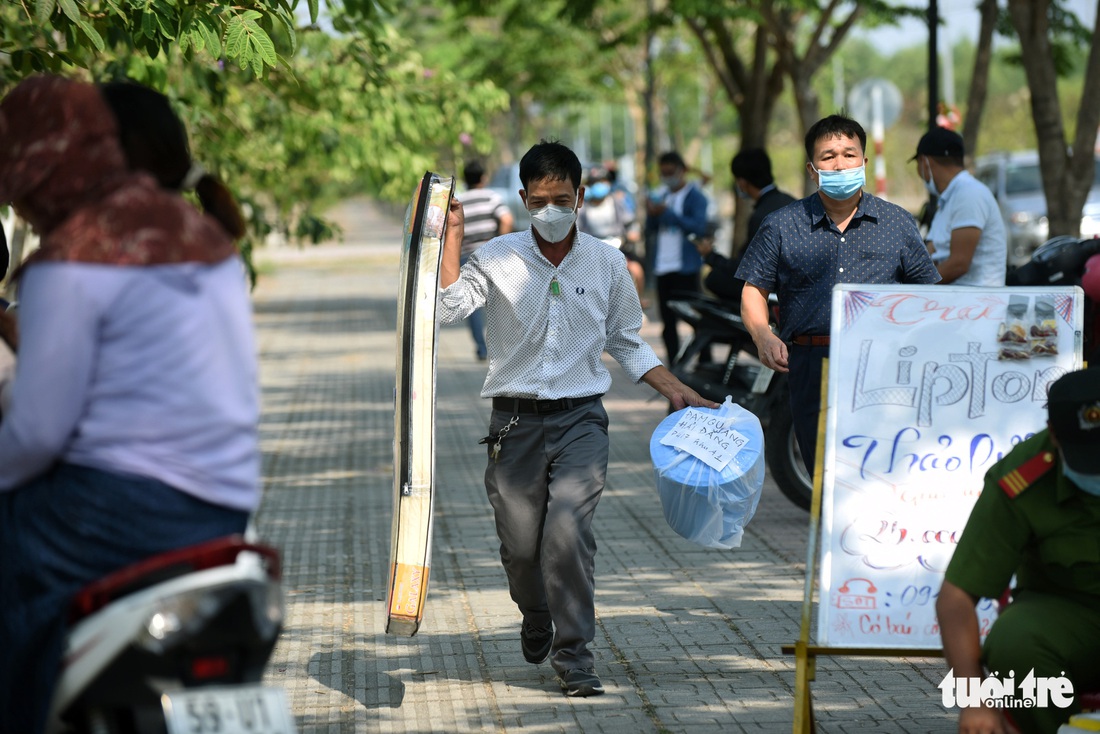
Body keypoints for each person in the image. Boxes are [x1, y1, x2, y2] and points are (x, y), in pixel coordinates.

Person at [0, 75, 260, 734]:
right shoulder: (206, 236)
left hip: (115, 512)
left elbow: (35, 436)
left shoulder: (74, 258)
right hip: (226, 504)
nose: (23, 207)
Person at [437, 139, 715, 698]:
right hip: (513, 425)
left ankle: (575, 656)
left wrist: (676, 389)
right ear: (522, 199)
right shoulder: (496, 258)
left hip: (581, 422)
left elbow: (627, 342)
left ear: (581, 196)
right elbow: (445, 309)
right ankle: (535, 613)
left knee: (567, 532)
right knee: (520, 548)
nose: (551, 210)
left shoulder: (609, 262)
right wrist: (451, 239)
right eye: (539, 201)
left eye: (561, 198)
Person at [735, 114, 940, 476]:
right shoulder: (782, 225)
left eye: (849, 153)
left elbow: (929, 296)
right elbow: (754, 288)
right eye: (828, 156)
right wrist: (763, 334)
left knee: (884, 471)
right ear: (813, 168)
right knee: (825, 474)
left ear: (864, 161)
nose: (840, 163)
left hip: (886, 364)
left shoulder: (897, 223)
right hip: (813, 361)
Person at [936, 368, 1100, 734]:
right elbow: (956, 597)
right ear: (1054, 435)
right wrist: (975, 701)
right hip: (1070, 616)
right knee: (1015, 643)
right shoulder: (1022, 477)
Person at [695, 148, 796, 303]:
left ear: (742, 182)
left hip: (773, 286)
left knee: (714, 279)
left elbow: (747, 268)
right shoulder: (791, 202)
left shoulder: (761, 215)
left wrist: (711, 256)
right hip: (795, 280)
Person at [912, 127, 1007, 286]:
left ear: (924, 162)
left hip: (978, 305)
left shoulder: (969, 194)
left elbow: (959, 263)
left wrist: (916, 288)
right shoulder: (949, 200)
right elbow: (931, 252)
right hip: (957, 303)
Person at [645, 150, 710, 363]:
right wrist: (653, 215)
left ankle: (705, 363)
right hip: (663, 267)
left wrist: (668, 214)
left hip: (686, 268)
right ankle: (674, 366)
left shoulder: (695, 197)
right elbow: (651, 229)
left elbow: (699, 227)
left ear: (682, 171)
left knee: (696, 319)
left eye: (670, 172)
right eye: (663, 173)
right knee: (668, 323)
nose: (667, 177)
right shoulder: (661, 195)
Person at [458, 159, 513, 361]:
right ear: (483, 178)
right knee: (498, 302)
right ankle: (501, 346)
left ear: (465, 179)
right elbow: (507, 219)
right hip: (491, 257)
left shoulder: (459, 202)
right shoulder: (492, 197)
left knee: (471, 305)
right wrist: (498, 243)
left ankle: (481, 349)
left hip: (467, 258)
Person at [577, 165, 646, 307]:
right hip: (592, 252)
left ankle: (637, 305)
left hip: (618, 248)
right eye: (595, 182)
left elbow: (630, 223)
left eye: (602, 181)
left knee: (636, 270)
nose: (599, 185)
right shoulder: (583, 207)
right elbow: (577, 229)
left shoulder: (616, 202)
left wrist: (633, 234)